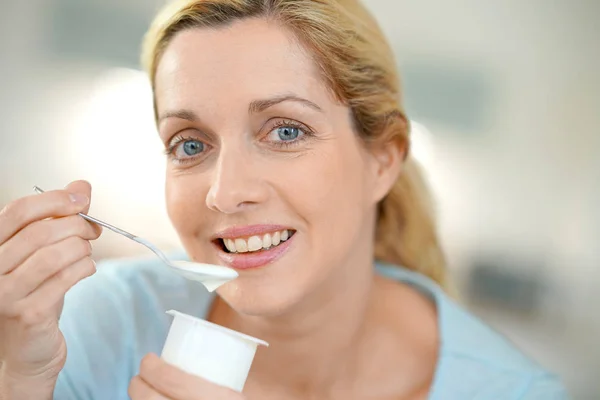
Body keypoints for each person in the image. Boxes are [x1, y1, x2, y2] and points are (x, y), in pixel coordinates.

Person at [0, 0, 568, 399]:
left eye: (286, 131)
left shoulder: (513, 393)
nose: (225, 193)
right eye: (190, 143)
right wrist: (20, 380)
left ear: (383, 160)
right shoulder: (95, 327)